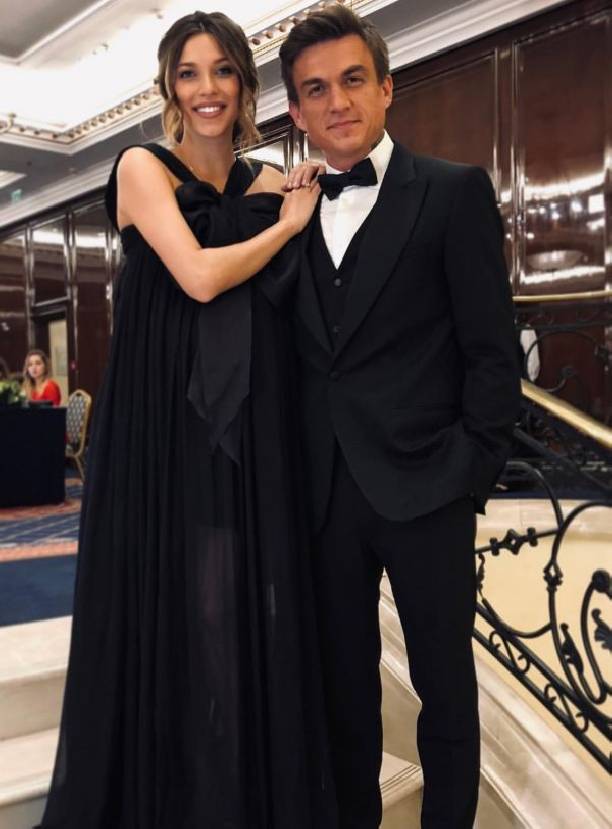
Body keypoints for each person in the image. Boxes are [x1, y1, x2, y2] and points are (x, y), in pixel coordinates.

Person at [38, 11, 337, 829]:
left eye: (223, 71)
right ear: (169, 87)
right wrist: (285, 224)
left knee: (243, 608)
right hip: (161, 429)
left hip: (249, 427)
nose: (208, 89)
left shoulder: (264, 180)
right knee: (187, 607)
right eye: (189, 73)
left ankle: (235, 793)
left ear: (244, 82)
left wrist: (291, 200)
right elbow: (200, 277)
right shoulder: (142, 167)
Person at [279, 6, 521, 828]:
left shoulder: (451, 192)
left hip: (429, 486)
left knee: (444, 690)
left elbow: (492, 352)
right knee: (343, 691)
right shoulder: (287, 214)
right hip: (324, 493)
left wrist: (470, 470)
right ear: (296, 112)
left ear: (386, 87)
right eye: (316, 90)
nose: (337, 101)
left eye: (353, 80)